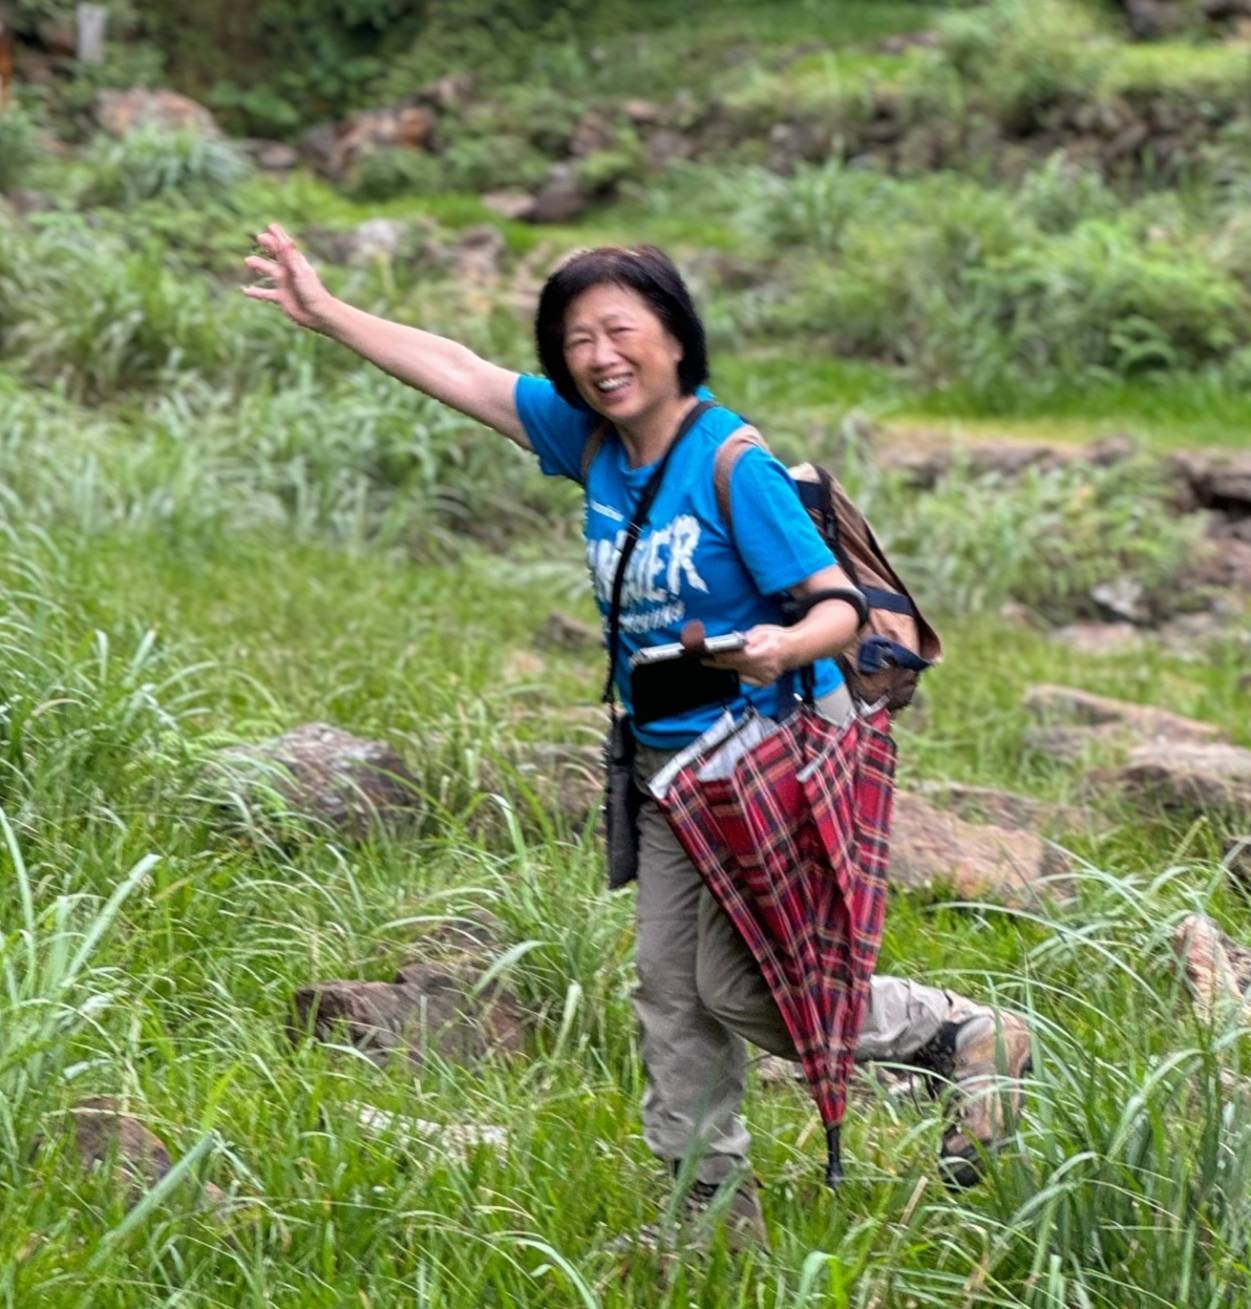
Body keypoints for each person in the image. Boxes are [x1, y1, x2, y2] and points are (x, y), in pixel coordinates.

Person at [243, 230, 1032, 1248]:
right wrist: (328, 309)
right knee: (669, 993)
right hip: (664, 767)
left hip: (761, 763)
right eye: (576, 339)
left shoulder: (729, 459)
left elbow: (834, 606)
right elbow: (464, 372)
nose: (598, 355)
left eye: (620, 330)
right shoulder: (590, 443)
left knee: (742, 991)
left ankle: (955, 1033)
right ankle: (710, 1221)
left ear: (673, 337)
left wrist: (781, 645)